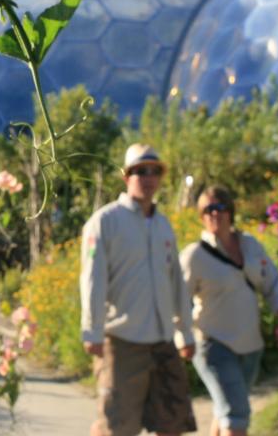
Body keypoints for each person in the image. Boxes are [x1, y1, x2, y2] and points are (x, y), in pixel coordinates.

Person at [80, 143, 197, 436]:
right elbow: (93, 280)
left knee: (172, 423)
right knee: (117, 427)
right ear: (126, 176)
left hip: (163, 340)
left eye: (154, 171)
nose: (148, 177)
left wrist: (185, 331)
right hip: (123, 341)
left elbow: (176, 283)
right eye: (140, 170)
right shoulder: (105, 222)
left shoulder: (163, 225)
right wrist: (92, 331)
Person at [179, 186, 278, 436]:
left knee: (226, 412)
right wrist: (182, 338)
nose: (213, 214)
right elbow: (177, 300)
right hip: (213, 345)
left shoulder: (251, 246)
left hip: (250, 345)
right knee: (236, 414)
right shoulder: (194, 256)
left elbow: (272, 283)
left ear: (230, 211)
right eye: (206, 210)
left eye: (218, 207)